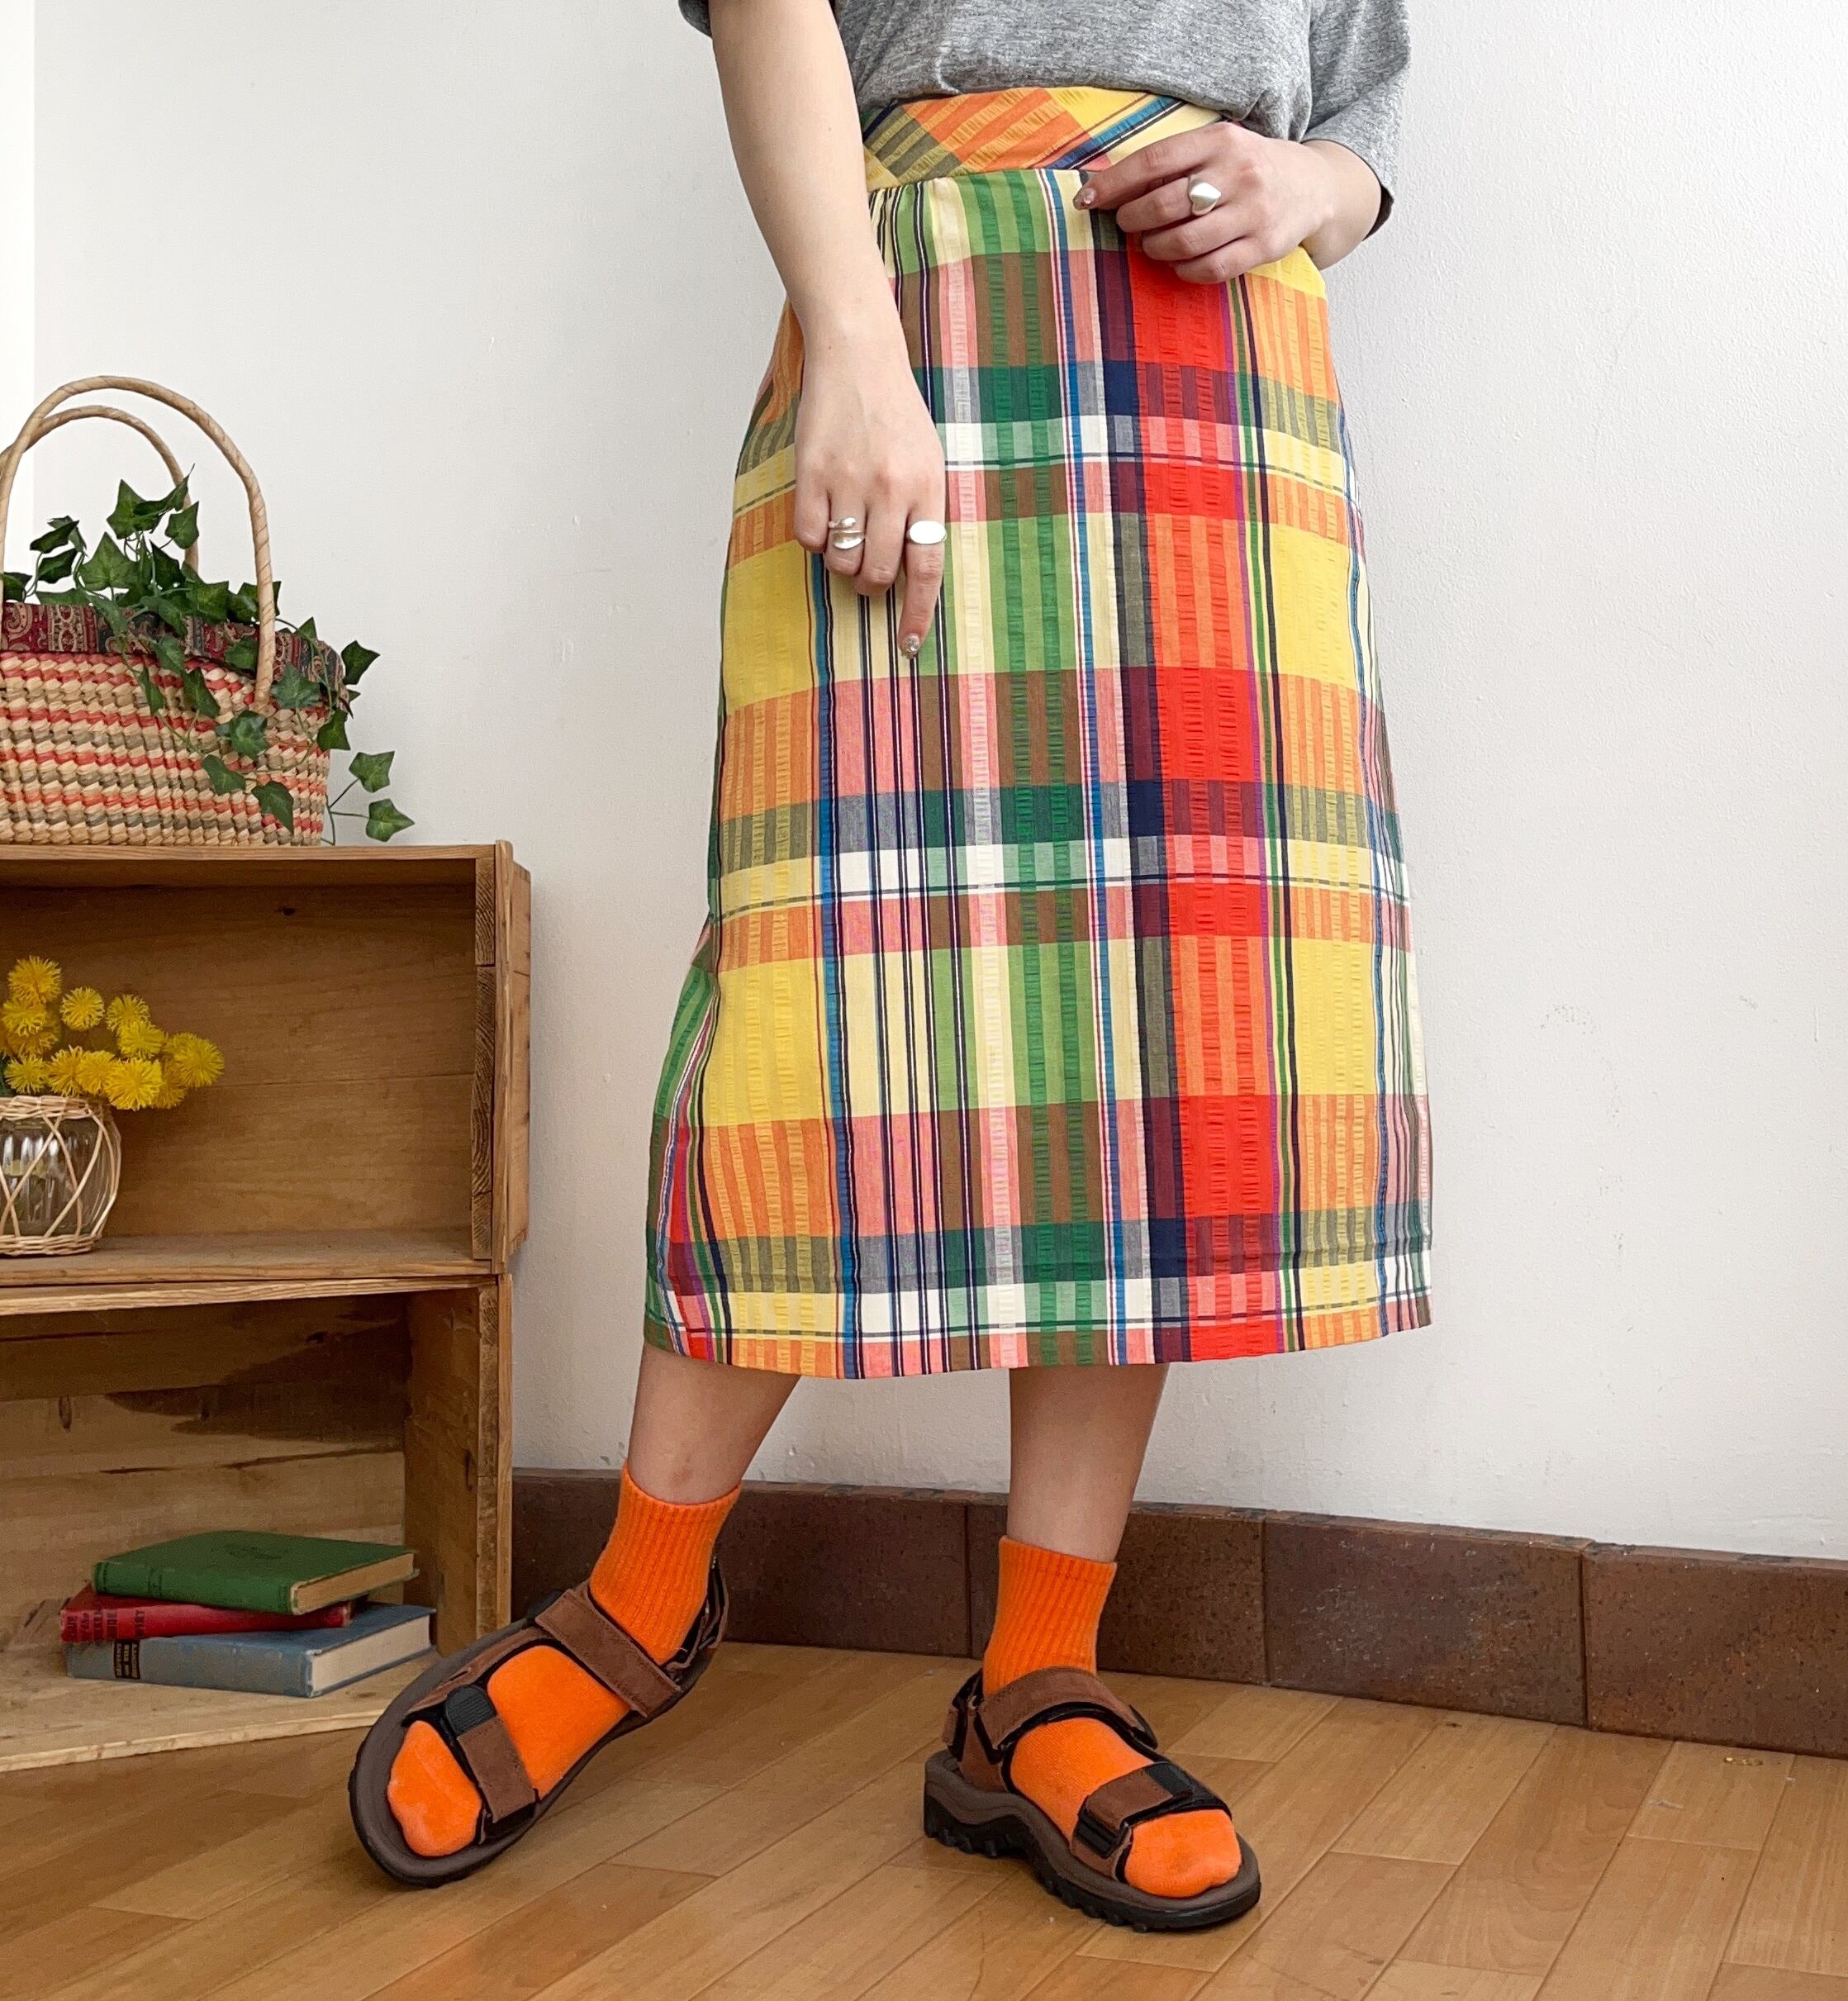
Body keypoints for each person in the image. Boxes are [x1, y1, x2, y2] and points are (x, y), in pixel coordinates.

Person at [350, 0, 1430, 1930]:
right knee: (810, 991)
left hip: (1213, 374)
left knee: (1138, 1032)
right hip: (911, 309)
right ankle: (640, 1598)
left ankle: (1038, 1674)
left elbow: (1359, 103)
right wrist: (849, 333)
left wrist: (1311, 186)